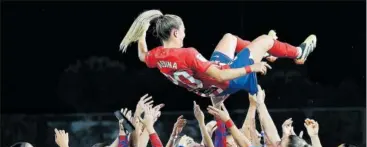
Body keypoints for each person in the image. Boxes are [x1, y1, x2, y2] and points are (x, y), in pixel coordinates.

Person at [120, 10, 316, 103]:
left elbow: (142, 55)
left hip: (210, 89)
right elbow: (221, 76)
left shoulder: (157, 56)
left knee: (229, 38)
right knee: (265, 39)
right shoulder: (188, 54)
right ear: (175, 33)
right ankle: (298, 53)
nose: (185, 34)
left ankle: (267, 53)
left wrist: (141, 34)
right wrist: (251, 68)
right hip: (227, 81)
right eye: (184, 31)